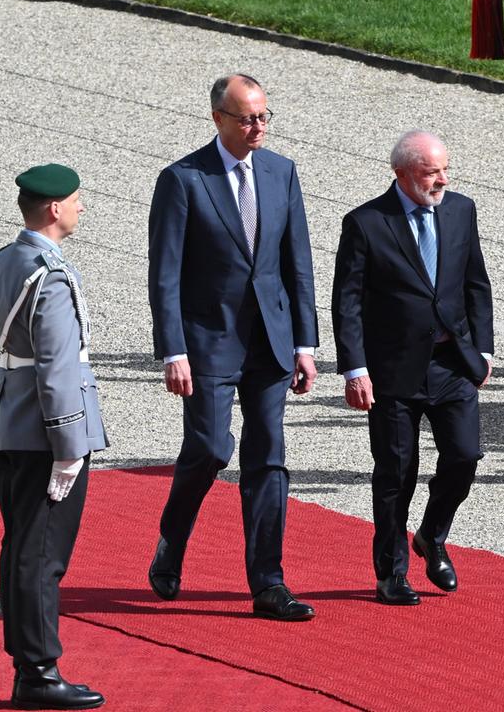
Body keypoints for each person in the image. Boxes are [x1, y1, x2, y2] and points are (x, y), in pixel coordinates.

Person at [147, 74, 319, 622]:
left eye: (265, 116)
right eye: (247, 118)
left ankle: (268, 582)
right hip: (208, 342)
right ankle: (173, 536)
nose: (258, 127)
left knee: (268, 458)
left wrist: (305, 343)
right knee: (211, 450)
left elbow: (298, 263)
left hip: (270, 341)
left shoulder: (281, 172)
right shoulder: (183, 180)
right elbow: (165, 275)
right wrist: (173, 350)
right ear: (218, 118)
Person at [331, 131, 494, 607]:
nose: (441, 180)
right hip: (393, 371)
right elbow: (348, 303)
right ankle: (391, 572)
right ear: (401, 173)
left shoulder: (461, 210)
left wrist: (483, 351)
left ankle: (432, 535)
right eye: (430, 173)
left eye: (445, 170)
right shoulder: (365, 223)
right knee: (397, 473)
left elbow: (475, 283)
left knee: (465, 456)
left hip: (452, 363)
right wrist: (354, 369)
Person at [0, 163, 107, 711]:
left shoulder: (5, 262)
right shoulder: (50, 274)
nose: (81, 208)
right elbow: (58, 367)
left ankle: (30, 667)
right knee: (41, 555)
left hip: (13, 425)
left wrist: (5, 410)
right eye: (77, 201)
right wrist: (68, 447)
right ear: (54, 209)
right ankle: (38, 671)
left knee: (20, 550)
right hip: (46, 436)